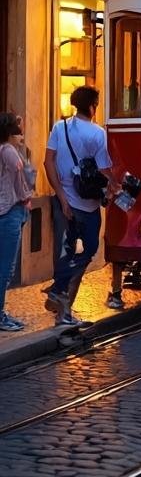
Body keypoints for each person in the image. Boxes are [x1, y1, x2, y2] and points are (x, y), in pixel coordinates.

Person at [44, 86, 118, 325]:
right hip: (88, 205)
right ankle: (61, 299)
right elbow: (104, 169)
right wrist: (116, 185)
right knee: (88, 251)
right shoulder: (97, 134)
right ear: (92, 106)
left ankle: (61, 302)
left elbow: (48, 163)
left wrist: (62, 198)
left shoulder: (59, 127)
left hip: (63, 201)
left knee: (65, 252)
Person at [0, 113, 32, 332]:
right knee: (6, 268)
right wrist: (27, 198)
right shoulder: (9, 151)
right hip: (10, 211)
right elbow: (21, 183)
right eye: (19, 127)